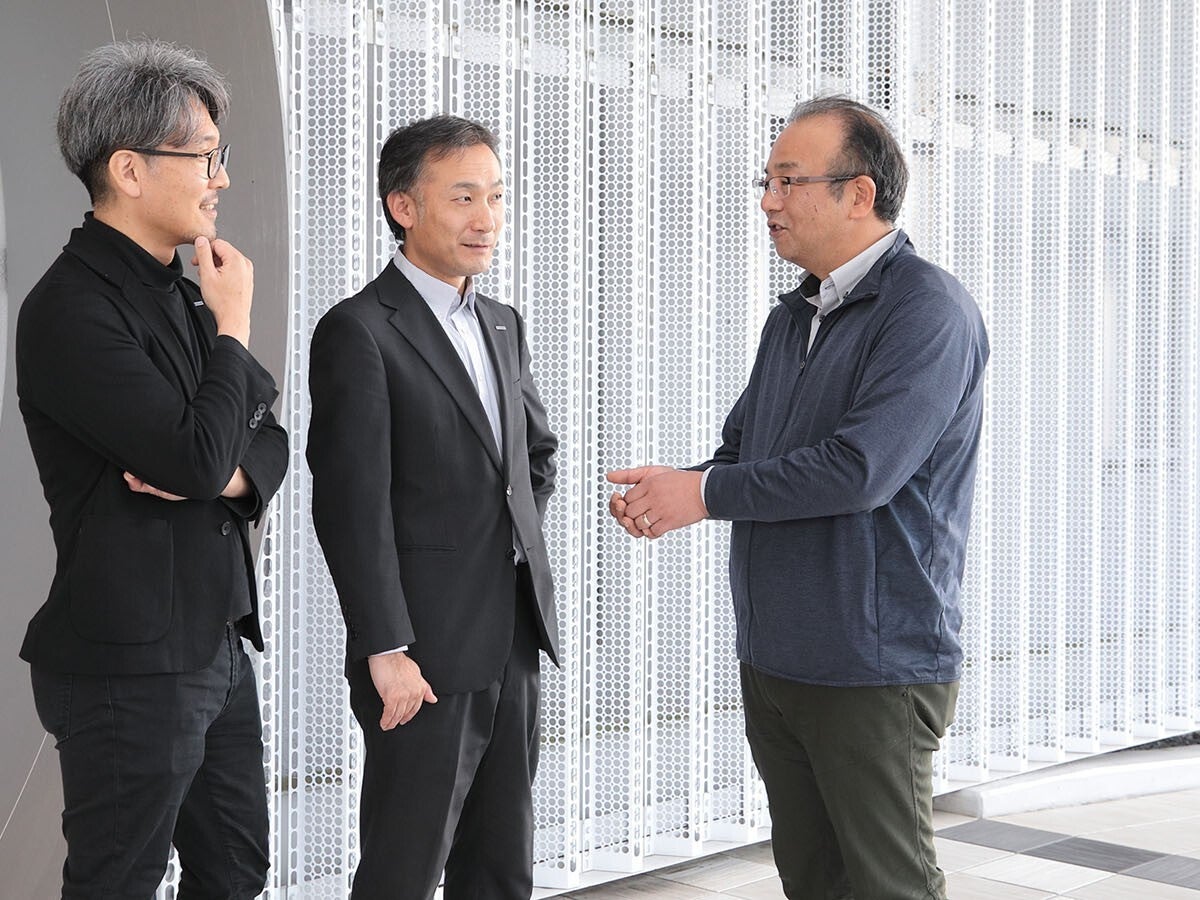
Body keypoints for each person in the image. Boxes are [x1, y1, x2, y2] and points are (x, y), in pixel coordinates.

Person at [608, 96, 989, 900]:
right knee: (813, 881)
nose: (768, 201)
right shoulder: (795, 316)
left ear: (859, 194)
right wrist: (671, 491)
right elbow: (744, 455)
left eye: (789, 181)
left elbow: (860, 470)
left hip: (872, 666)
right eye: (767, 181)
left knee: (889, 886)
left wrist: (703, 494)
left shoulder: (928, 311)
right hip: (777, 658)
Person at [15, 39, 288, 899]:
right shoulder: (70, 310)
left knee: (235, 872)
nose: (222, 178)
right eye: (204, 156)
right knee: (118, 883)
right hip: (126, 661)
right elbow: (198, 451)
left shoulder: (184, 289)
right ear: (129, 169)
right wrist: (234, 330)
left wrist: (227, 474)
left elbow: (266, 439)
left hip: (214, 641)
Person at [307, 114, 559, 900]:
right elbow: (350, 505)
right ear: (404, 206)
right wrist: (385, 648)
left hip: (512, 636)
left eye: (496, 196)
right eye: (463, 197)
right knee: (403, 871)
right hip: (421, 655)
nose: (486, 218)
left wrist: (502, 549)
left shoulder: (501, 323)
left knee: (501, 867)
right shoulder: (359, 331)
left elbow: (533, 459)